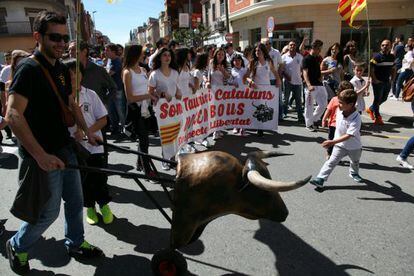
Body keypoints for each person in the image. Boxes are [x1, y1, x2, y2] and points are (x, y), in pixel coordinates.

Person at [5, 11, 103, 274]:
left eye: (64, 37)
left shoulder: (60, 67)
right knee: (48, 212)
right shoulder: (29, 69)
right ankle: (17, 245)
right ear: (38, 37)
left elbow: (71, 103)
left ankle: (75, 243)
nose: (61, 43)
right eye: (54, 37)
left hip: (64, 146)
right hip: (43, 154)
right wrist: (39, 155)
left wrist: (86, 130)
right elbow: (13, 114)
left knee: (75, 200)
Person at [64, 59, 114, 225]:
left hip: (94, 145)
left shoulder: (90, 94)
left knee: (99, 178)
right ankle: (90, 208)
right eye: (69, 74)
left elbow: (103, 119)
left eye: (76, 73)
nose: (73, 77)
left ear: (81, 75)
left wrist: (88, 132)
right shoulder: (63, 98)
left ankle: (104, 206)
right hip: (75, 148)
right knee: (83, 181)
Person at [310, 89, 363, 188]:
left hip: (354, 146)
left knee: (355, 162)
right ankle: (320, 179)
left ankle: (353, 173)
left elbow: (349, 135)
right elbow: (333, 113)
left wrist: (332, 142)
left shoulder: (356, 118)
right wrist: (325, 119)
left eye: (341, 103)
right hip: (340, 145)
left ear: (351, 104)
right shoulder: (340, 109)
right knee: (331, 162)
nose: (338, 104)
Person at [122, 44, 155, 175]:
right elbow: (129, 98)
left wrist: (152, 95)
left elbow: (147, 88)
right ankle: (147, 169)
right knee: (144, 140)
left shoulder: (143, 70)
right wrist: (148, 95)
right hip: (136, 110)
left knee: (143, 138)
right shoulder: (127, 72)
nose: (144, 55)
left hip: (146, 108)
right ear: (134, 55)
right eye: (142, 53)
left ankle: (139, 164)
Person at [148, 47, 182, 170]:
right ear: (160, 58)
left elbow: (177, 86)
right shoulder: (154, 74)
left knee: (174, 132)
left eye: (169, 55)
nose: (167, 58)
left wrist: (179, 92)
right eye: (164, 55)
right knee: (165, 134)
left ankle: (173, 158)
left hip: (174, 108)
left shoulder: (175, 72)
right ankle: (164, 159)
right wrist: (162, 94)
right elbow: (150, 92)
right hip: (161, 110)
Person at [245, 42, 281, 137]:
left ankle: (262, 127)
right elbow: (246, 77)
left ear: (264, 52)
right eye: (256, 51)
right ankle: (259, 129)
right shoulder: (253, 62)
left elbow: (275, 72)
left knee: (265, 107)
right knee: (257, 107)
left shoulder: (269, 62)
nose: (257, 52)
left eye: (259, 51)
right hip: (256, 89)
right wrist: (250, 82)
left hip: (266, 89)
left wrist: (278, 80)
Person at [321, 81, 354, 159]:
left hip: (343, 125)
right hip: (333, 124)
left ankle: (337, 155)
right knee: (331, 139)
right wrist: (324, 119)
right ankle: (329, 153)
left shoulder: (349, 103)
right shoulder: (334, 99)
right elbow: (328, 110)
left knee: (340, 141)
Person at [366, 39, 396, 125]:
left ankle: (371, 109)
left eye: (386, 45)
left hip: (387, 82)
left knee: (384, 98)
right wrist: (374, 79)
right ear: (380, 46)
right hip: (378, 82)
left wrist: (393, 79)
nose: (384, 47)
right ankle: (378, 117)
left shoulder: (392, 57)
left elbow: (394, 68)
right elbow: (371, 69)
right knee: (377, 99)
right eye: (383, 45)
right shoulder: (376, 57)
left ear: (390, 46)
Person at [302, 39, 328, 132]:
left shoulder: (318, 58)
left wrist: (321, 76)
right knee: (309, 106)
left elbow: (319, 69)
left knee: (323, 104)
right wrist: (308, 85)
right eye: (319, 49)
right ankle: (309, 124)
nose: (320, 51)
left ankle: (314, 119)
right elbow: (305, 72)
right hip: (310, 86)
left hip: (319, 85)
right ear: (313, 48)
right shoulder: (306, 59)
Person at [206, 47, 232, 140]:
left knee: (221, 111)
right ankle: (215, 131)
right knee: (214, 111)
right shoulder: (211, 62)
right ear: (215, 55)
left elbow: (229, 77)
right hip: (212, 90)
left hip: (223, 90)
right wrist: (207, 82)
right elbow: (206, 74)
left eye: (222, 54)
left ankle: (218, 129)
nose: (220, 56)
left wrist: (222, 70)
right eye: (218, 54)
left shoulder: (227, 64)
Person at [105, 43, 126, 135]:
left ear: (113, 52)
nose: (105, 52)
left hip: (118, 90)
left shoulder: (117, 61)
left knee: (120, 111)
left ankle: (126, 130)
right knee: (111, 111)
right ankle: (115, 129)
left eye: (107, 50)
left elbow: (108, 74)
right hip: (110, 90)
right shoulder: (110, 60)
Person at [281, 40, 304, 122]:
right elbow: (281, 70)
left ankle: (300, 116)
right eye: (290, 45)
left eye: (294, 45)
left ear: (296, 46)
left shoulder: (300, 57)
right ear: (288, 46)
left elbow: (302, 68)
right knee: (285, 99)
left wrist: (302, 75)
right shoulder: (284, 57)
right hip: (287, 82)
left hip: (298, 82)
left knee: (298, 100)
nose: (292, 46)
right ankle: (284, 114)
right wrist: (286, 76)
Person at [231, 54, 247, 136]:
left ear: (241, 61)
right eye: (235, 60)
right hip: (234, 94)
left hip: (244, 94)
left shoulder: (245, 70)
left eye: (239, 60)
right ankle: (236, 126)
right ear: (233, 62)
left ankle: (243, 128)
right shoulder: (231, 70)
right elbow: (228, 81)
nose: (237, 62)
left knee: (243, 111)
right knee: (235, 111)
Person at [391, 35, 406, 99]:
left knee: (394, 79)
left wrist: (392, 46)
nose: (395, 40)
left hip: (396, 64)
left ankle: (394, 93)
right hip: (402, 64)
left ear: (399, 39)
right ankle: (405, 90)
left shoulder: (397, 46)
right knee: (398, 80)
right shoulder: (404, 46)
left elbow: (392, 54)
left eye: (396, 38)